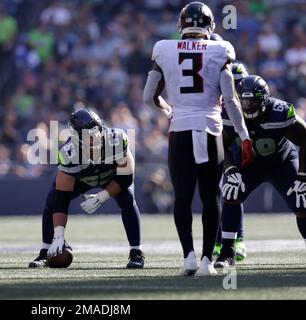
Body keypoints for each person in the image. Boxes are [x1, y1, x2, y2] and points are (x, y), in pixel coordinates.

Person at [142, 2, 253, 276]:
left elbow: (148, 97)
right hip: (210, 129)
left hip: (179, 130)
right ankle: (206, 262)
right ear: (209, 25)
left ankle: (188, 258)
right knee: (209, 197)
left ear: (182, 25)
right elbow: (230, 99)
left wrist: (169, 109)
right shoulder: (220, 50)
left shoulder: (164, 49)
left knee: (182, 196)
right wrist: (244, 136)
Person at [29, 108, 144, 269]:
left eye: (97, 131)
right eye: (89, 136)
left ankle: (136, 252)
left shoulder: (116, 139)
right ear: (77, 137)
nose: (96, 138)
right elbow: (61, 198)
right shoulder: (68, 152)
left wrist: (102, 196)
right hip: (82, 178)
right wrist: (59, 234)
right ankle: (45, 252)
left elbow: (125, 178)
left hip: (110, 176)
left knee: (127, 199)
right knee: (52, 200)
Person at [215, 75, 306, 268]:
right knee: (232, 192)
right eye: (244, 101)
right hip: (249, 165)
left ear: (264, 99)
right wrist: (231, 169)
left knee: (301, 203)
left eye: (253, 100)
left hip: (281, 163)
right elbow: (219, 144)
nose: (247, 106)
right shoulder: (229, 113)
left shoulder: (280, 112)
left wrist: (303, 177)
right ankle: (227, 252)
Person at [213, 61, 250, 261]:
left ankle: (236, 239)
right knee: (217, 191)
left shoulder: (246, 104)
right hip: (216, 143)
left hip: (235, 149)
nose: (236, 89)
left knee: (233, 188)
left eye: (239, 83)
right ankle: (219, 241)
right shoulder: (214, 103)